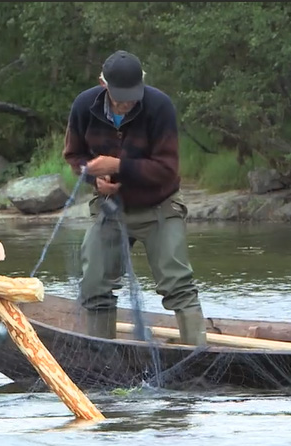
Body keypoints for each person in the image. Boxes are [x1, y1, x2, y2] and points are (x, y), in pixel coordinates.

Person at [62, 50, 207, 346]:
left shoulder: (159, 106)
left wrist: (118, 167)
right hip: (110, 208)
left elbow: (167, 170)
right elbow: (74, 156)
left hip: (159, 207)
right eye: (119, 96)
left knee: (177, 283)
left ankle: (198, 353)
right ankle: (102, 354)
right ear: (103, 84)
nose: (127, 102)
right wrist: (95, 178)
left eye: (132, 95)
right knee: (94, 284)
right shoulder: (83, 106)